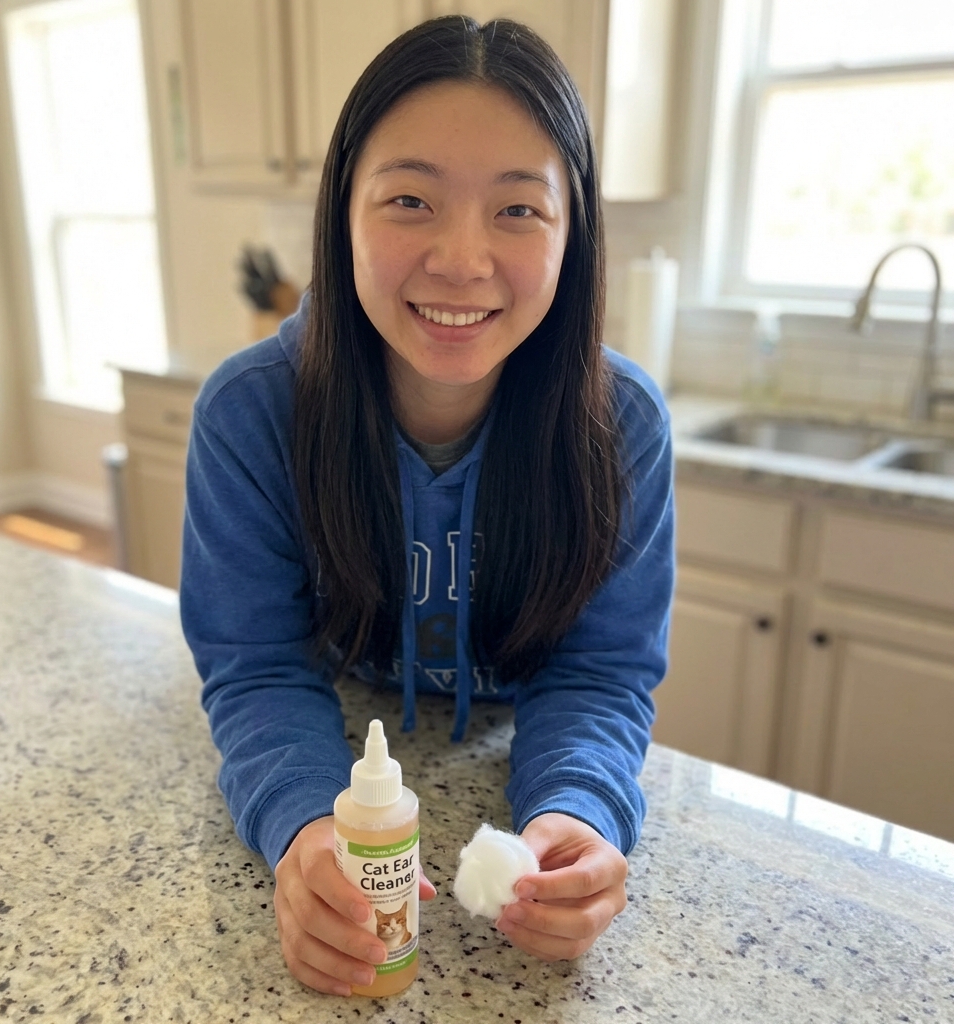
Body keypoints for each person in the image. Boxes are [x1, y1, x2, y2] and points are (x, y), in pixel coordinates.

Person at [180, 15, 674, 998]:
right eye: (409, 198)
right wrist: (307, 826)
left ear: (573, 234)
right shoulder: (250, 415)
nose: (460, 259)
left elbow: (601, 672)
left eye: (518, 210)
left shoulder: (620, 424)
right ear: (343, 214)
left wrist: (576, 807)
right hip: (348, 754)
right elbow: (258, 667)